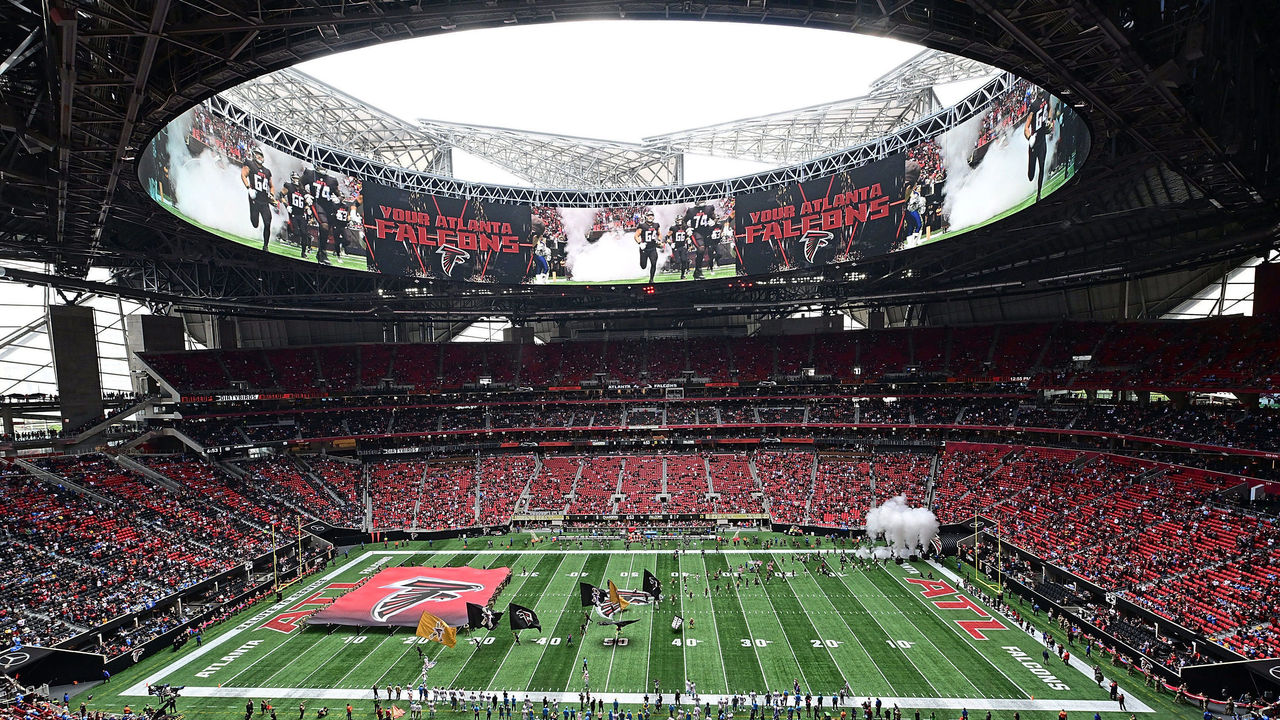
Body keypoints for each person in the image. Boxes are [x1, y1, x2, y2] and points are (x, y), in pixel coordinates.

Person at [241, 147, 274, 251]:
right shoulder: (250, 164)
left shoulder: (267, 171)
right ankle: (255, 224)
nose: (259, 156)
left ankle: (265, 246)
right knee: (255, 223)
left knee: (268, 223)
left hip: (264, 201)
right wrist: (248, 188)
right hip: (254, 199)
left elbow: (271, 186)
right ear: (253, 155)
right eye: (257, 154)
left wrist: (272, 195)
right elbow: (243, 175)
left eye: (261, 154)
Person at [635, 210, 662, 284]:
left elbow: (659, 234)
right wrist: (640, 243)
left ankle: (651, 279)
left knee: (654, 263)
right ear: (645, 217)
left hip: (653, 248)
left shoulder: (656, 225)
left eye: (652, 215)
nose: (650, 217)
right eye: (649, 215)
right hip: (644, 248)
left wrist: (659, 240)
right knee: (643, 266)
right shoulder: (642, 225)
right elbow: (636, 236)